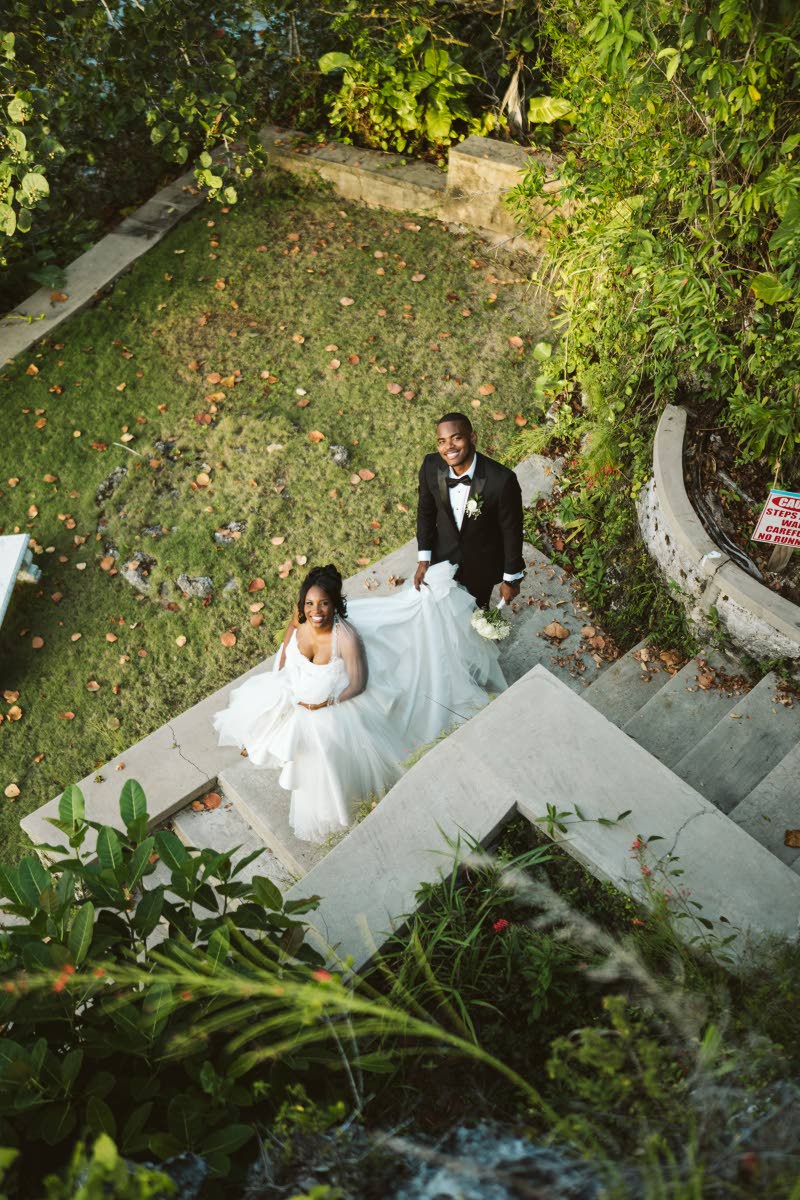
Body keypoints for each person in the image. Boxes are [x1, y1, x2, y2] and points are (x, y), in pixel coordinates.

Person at [213, 561, 506, 844]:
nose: (316, 611)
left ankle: (332, 801)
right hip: (297, 684)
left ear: (335, 604)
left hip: (331, 700)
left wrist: (326, 702)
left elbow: (358, 684)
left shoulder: (347, 639)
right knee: (268, 710)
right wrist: (282, 669)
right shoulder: (301, 617)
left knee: (323, 745)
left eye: (324, 604)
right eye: (310, 604)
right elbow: (292, 630)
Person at [414, 412, 525, 607]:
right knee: (442, 609)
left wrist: (511, 579)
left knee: (477, 611)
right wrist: (424, 559)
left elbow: (512, 532)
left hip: (481, 565)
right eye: (442, 441)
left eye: (456, 438)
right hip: (442, 559)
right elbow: (425, 512)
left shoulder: (502, 480)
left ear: (472, 438)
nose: (449, 447)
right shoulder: (430, 466)